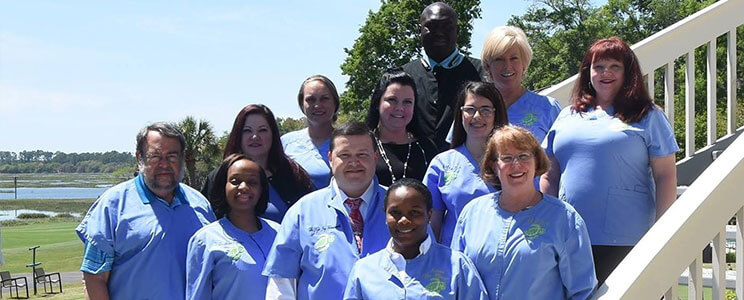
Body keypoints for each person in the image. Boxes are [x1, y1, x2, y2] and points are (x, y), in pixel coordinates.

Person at [541, 37, 678, 285]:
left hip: (627, 241)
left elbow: (665, 175)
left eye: (615, 66)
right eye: (598, 66)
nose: (606, 73)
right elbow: (550, 175)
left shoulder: (648, 115)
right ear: (588, 73)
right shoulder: (567, 115)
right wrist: (544, 223)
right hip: (570, 238)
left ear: (628, 72)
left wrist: (662, 230)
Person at [453, 125, 597, 299]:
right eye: (507, 158)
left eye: (524, 156)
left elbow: (583, 291)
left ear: (536, 161)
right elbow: (456, 277)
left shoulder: (564, 218)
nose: (516, 165)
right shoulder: (472, 213)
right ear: (493, 165)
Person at [76, 122, 215, 299]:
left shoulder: (201, 205)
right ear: (139, 158)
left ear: (182, 158)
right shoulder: (112, 205)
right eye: (155, 156)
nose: (164, 164)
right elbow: (94, 277)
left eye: (172, 156)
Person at [263, 122, 391, 300]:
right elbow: (282, 284)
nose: (354, 162)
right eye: (344, 155)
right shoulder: (303, 212)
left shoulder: (400, 207)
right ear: (330, 158)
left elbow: (423, 269)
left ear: (375, 157)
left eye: (362, 154)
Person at [343, 178, 488, 300]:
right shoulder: (364, 270)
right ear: (385, 216)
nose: (404, 220)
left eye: (414, 212)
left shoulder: (456, 266)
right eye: (395, 213)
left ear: (429, 215)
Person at [424, 81, 508, 246]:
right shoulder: (441, 164)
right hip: (457, 262)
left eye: (485, 110)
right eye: (470, 110)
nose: (477, 116)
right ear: (460, 114)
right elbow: (432, 224)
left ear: (496, 114)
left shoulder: (514, 160)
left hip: (506, 258)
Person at [187, 154, 279, 300]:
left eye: (252, 182)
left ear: (262, 189)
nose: (243, 187)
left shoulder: (279, 233)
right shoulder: (205, 240)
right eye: (235, 181)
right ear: (223, 186)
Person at [201, 104, 315, 222]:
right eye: (247, 131)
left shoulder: (294, 176)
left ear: (273, 135)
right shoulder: (218, 177)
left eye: (262, 130)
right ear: (238, 135)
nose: (255, 137)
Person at [402, 2, 486, 152]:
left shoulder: (483, 74)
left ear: (458, 31)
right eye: (431, 26)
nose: (439, 32)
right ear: (419, 30)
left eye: (447, 26)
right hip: (414, 170)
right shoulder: (402, 77)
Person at [482, 26, 561, 143]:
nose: (507, 66)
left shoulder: (548, 107)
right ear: (488, 65)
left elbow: (562, 154)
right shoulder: (474, 108)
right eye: (499, 59)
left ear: (524, 63)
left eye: (514, 58)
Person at [365, 69, 438, 187]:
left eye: (407, 102)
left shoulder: (426, 148)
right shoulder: (363, 146)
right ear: (377, 103)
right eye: (392, 100)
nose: (400, 108)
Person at [281, 75, 340, 189]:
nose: (317, 105)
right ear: (302, 105)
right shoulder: (285, 143)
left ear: (335, 102)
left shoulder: (348, 142)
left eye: (324, 99)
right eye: (311, 100)